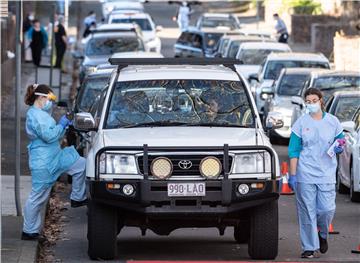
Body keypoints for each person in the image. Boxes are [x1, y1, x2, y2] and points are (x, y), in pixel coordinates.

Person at [22, 84, 87, 241]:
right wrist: (62, 125)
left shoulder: (41, 112)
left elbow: (51, 127)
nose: (50, 102)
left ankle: (78, 197)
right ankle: (29, 231)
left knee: (81, 164)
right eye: (49, 98)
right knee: (38, 197)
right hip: (42, 161)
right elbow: (49, 136)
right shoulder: (34, 115)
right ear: (41, 97)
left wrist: (64, 125)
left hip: (55, 156)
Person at [288, 88, 345, 258]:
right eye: (308, 101)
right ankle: (309, 247)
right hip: (305, 173)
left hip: (326, 173)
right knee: (307, 211)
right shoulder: (301, 123)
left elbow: (340, 141)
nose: (312, 104)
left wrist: (340, 146)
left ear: (321, 101)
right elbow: (293, 150)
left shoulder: (333, 122)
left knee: (326, 210)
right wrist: (293, 175)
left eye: (314, 100)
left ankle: (322, 234)